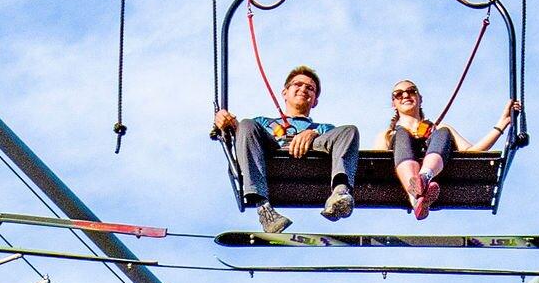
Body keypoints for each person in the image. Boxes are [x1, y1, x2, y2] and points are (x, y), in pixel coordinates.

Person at [214, 65, 361, 237]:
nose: (303, 89)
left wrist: (312, 133)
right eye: (297, 84)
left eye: (310, 88)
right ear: (285, 92)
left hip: (312, 154)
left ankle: (340, 192)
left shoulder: (323, 128)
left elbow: (340, 140)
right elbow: (244, 137)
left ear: (315, 100)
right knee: (246, 124)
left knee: (350, 130)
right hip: (274, 151)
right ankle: (264, 208)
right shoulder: (262, 122)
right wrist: (226, 123)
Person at [380, 78, 519, 221]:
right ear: (394, 103)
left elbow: (473, 152)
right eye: (399, 94)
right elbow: (375, 164)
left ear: (420, 98)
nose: (405, 95)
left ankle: (424, 178)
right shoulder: (387, 135)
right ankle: (416, 194)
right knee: (401, 134)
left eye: (411, 91)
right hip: (400, 173)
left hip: (438, 175)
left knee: (444, 131)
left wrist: (501, 124)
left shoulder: (438, 131)